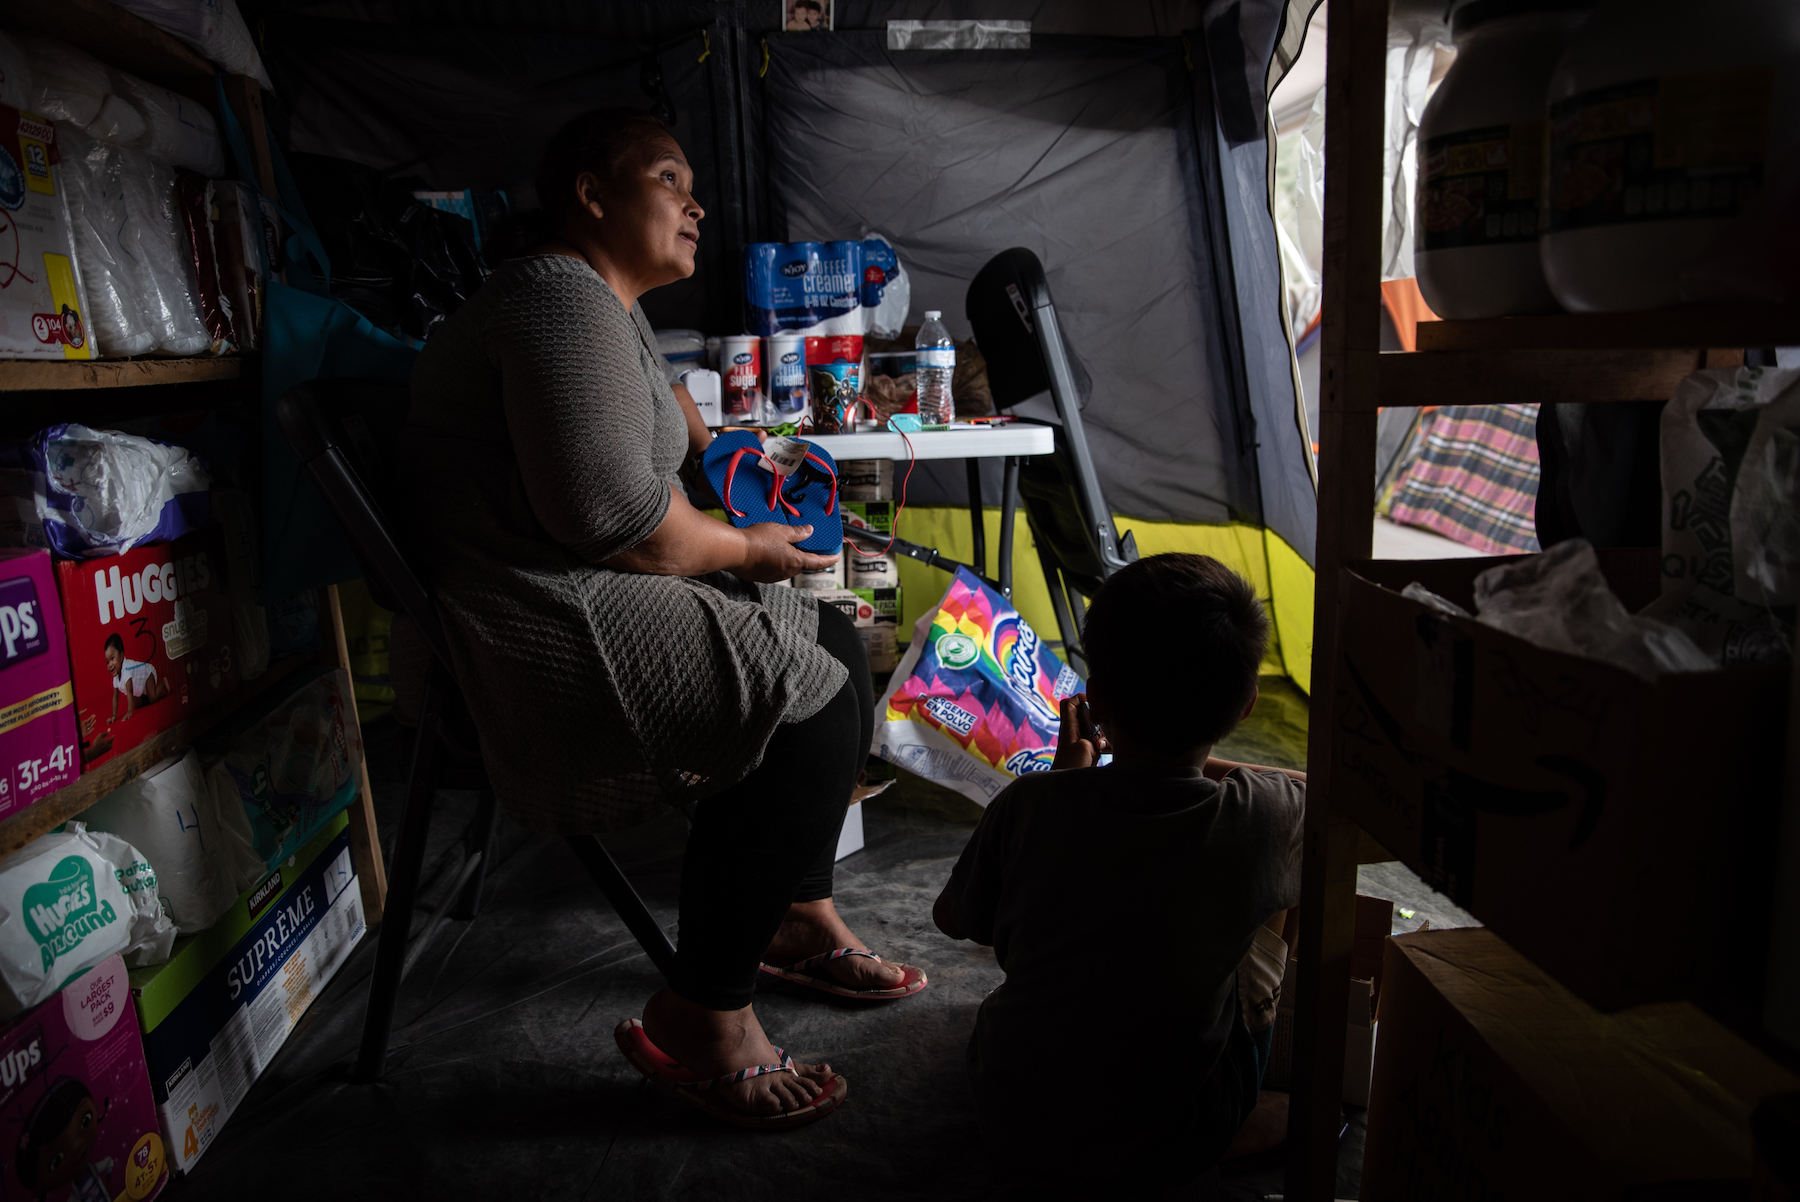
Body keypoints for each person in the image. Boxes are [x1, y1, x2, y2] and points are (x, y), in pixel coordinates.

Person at [403, 107, 924, 1129]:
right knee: (808, 686)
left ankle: (794, 914)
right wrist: (754, 546)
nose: (695, 204)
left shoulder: (603, 309)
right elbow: (615, 520)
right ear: (591, 195)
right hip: (531, 612)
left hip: (567, 574)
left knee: (823, 630)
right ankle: (702, 1014)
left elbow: (653, 440)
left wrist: (712, 437)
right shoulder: (557, 302)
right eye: (668, 178)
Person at [933, 553, 1305, 1194]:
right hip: (1170, 1145)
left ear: (1095, 697)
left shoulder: (1031, 803)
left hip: (1011, 1115)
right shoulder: (1260, 815)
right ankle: (1236, 1113)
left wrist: (1072, 778)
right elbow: (1324, 794)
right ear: (1246, 705)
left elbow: (958, 918)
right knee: (1284, 868)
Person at [103, 633, 166, 723]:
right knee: (137, 704)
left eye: (112, 658)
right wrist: (114, 716)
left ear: (121, 656)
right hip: (138, 684)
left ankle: (163, 683)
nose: (110, 665)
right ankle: (146, 694)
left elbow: (129, 691)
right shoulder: (116, 676)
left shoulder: (127, 670)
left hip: (147, 674)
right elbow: (115, 696)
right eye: (107, 662)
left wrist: (129, 712)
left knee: (153, 698)